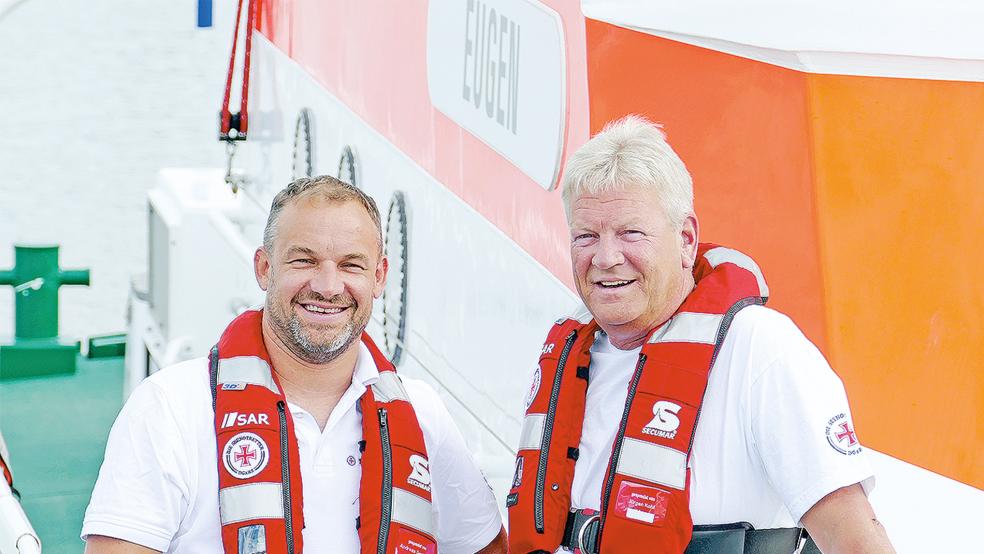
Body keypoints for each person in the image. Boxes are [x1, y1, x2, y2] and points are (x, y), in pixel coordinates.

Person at [506, 116, 895, 553]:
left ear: (686, 240)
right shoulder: (570, 359)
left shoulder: (760, 350)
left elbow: (855, 538)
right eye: (586, 236)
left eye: (631, 233)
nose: (606, 257)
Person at [82, 176, 507, 553]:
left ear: (379, 277)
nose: (327, 286)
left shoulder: (422, 413)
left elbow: (484, 546)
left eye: (351, 265)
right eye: (304, 260)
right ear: (264, 268)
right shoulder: (170, 408)